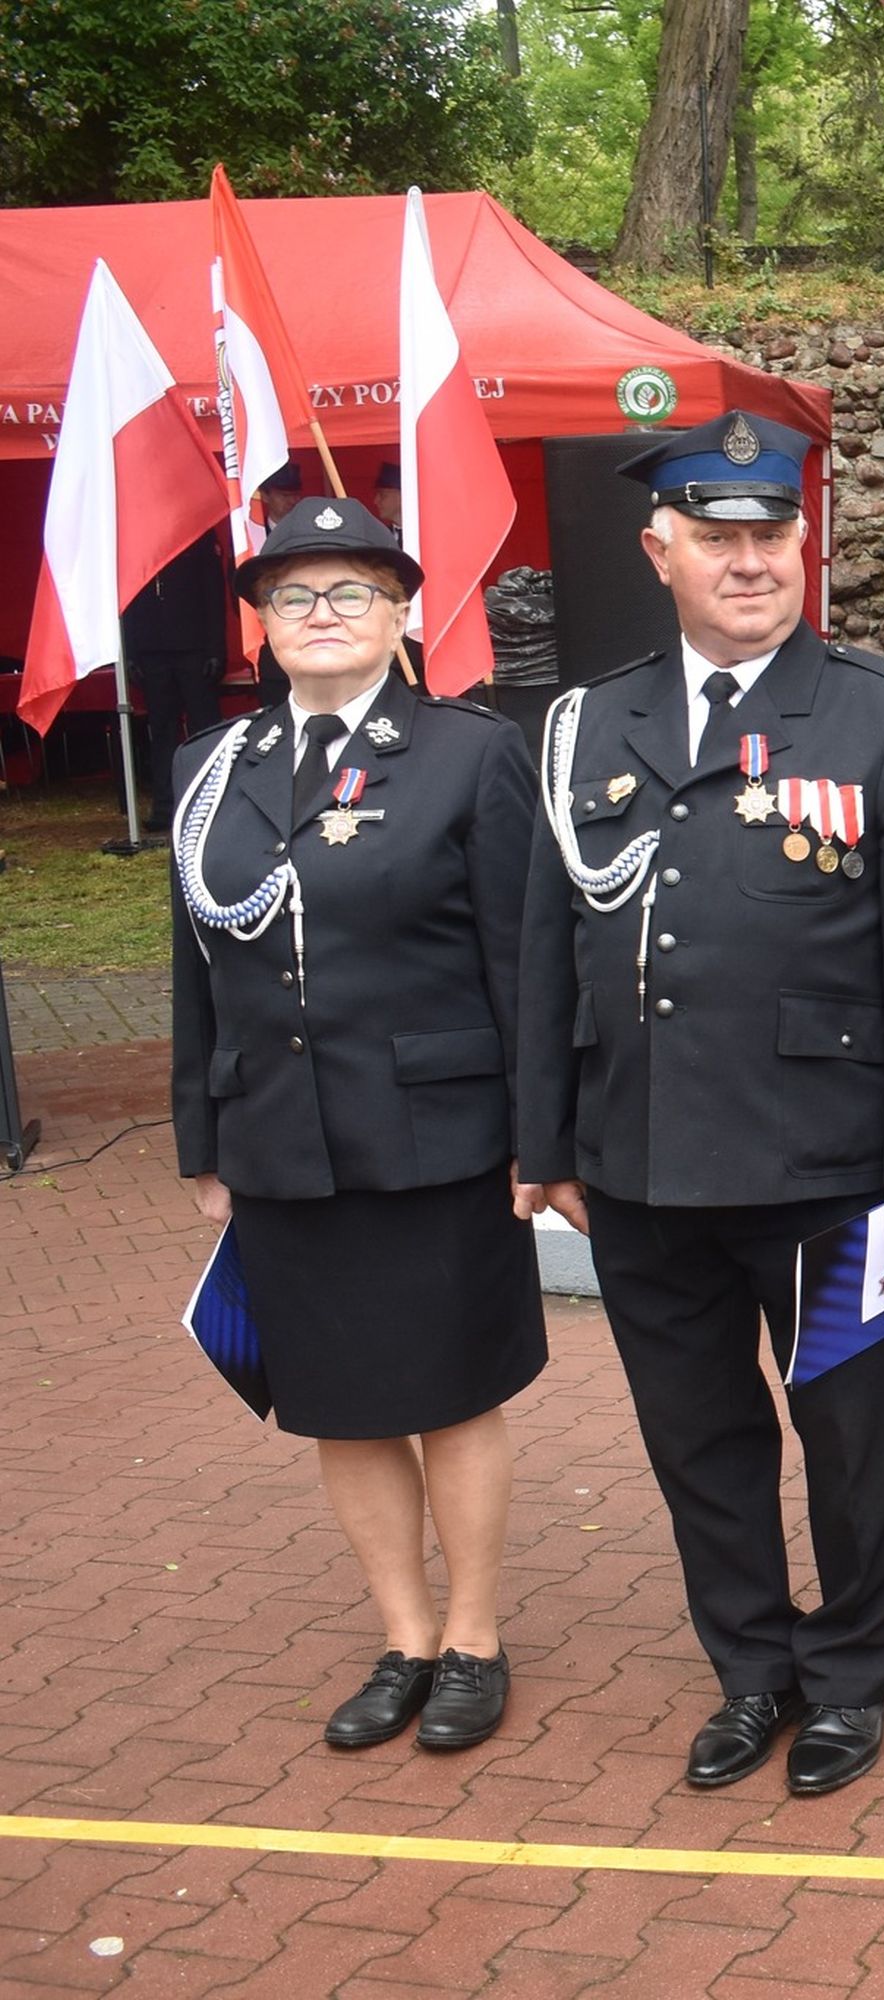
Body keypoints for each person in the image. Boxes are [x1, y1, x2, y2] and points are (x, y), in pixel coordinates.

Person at [513, 411, 884, 1799]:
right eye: (716, 539)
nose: (750, 562)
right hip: (641, 1159)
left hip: (834, 1166)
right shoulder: (586, 725)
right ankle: (752, 1667)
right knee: (698, 1438)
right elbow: (548, 948)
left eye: (772, 535)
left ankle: (850, 1673)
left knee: (851, 1436)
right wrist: (546, 1139)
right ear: (658, 551)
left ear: (803, 543)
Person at [168, 497, 542, 1754]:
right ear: (261, 625)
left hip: (438, 1134)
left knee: (452, 1391)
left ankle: (475, 1636)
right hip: (281, 1136)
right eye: (293, 595)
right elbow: (196, 967)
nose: (320, 614)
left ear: (400, 614)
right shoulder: (211, 767)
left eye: (351, 592)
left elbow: (520, 959)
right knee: (340, 1400)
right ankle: (406, 1636)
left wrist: (538, 1134)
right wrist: (203, 1134)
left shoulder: (468, 752)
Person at [123, 530, 232, 827]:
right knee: (161, 731)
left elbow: (213, 593)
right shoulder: (136, 534)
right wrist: (130, 651)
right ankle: (165, 805)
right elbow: (128, 596)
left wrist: (216, 649)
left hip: (195, 647)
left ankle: (214, 800)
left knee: (206, 729)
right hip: (151, 648)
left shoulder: (197, 530)